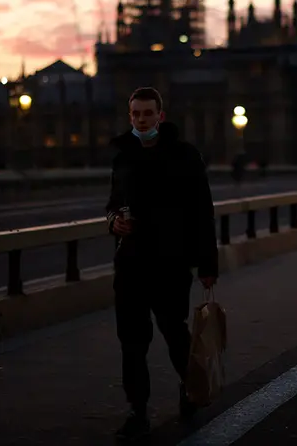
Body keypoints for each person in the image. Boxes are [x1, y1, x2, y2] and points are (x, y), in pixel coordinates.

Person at [105, 87, 219, 442]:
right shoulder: (123, 156)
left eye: (147, 114)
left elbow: (203, 212)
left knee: (174, 332)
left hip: (170, 263)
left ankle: (190, 387)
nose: (141, 119)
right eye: (136, 114)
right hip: (131, 264)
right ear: (131, 117)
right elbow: (111, 204)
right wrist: (113, 223)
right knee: (132, 342)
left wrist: (207, 265)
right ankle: (137, 411)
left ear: (160, 116)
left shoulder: (185, 156)